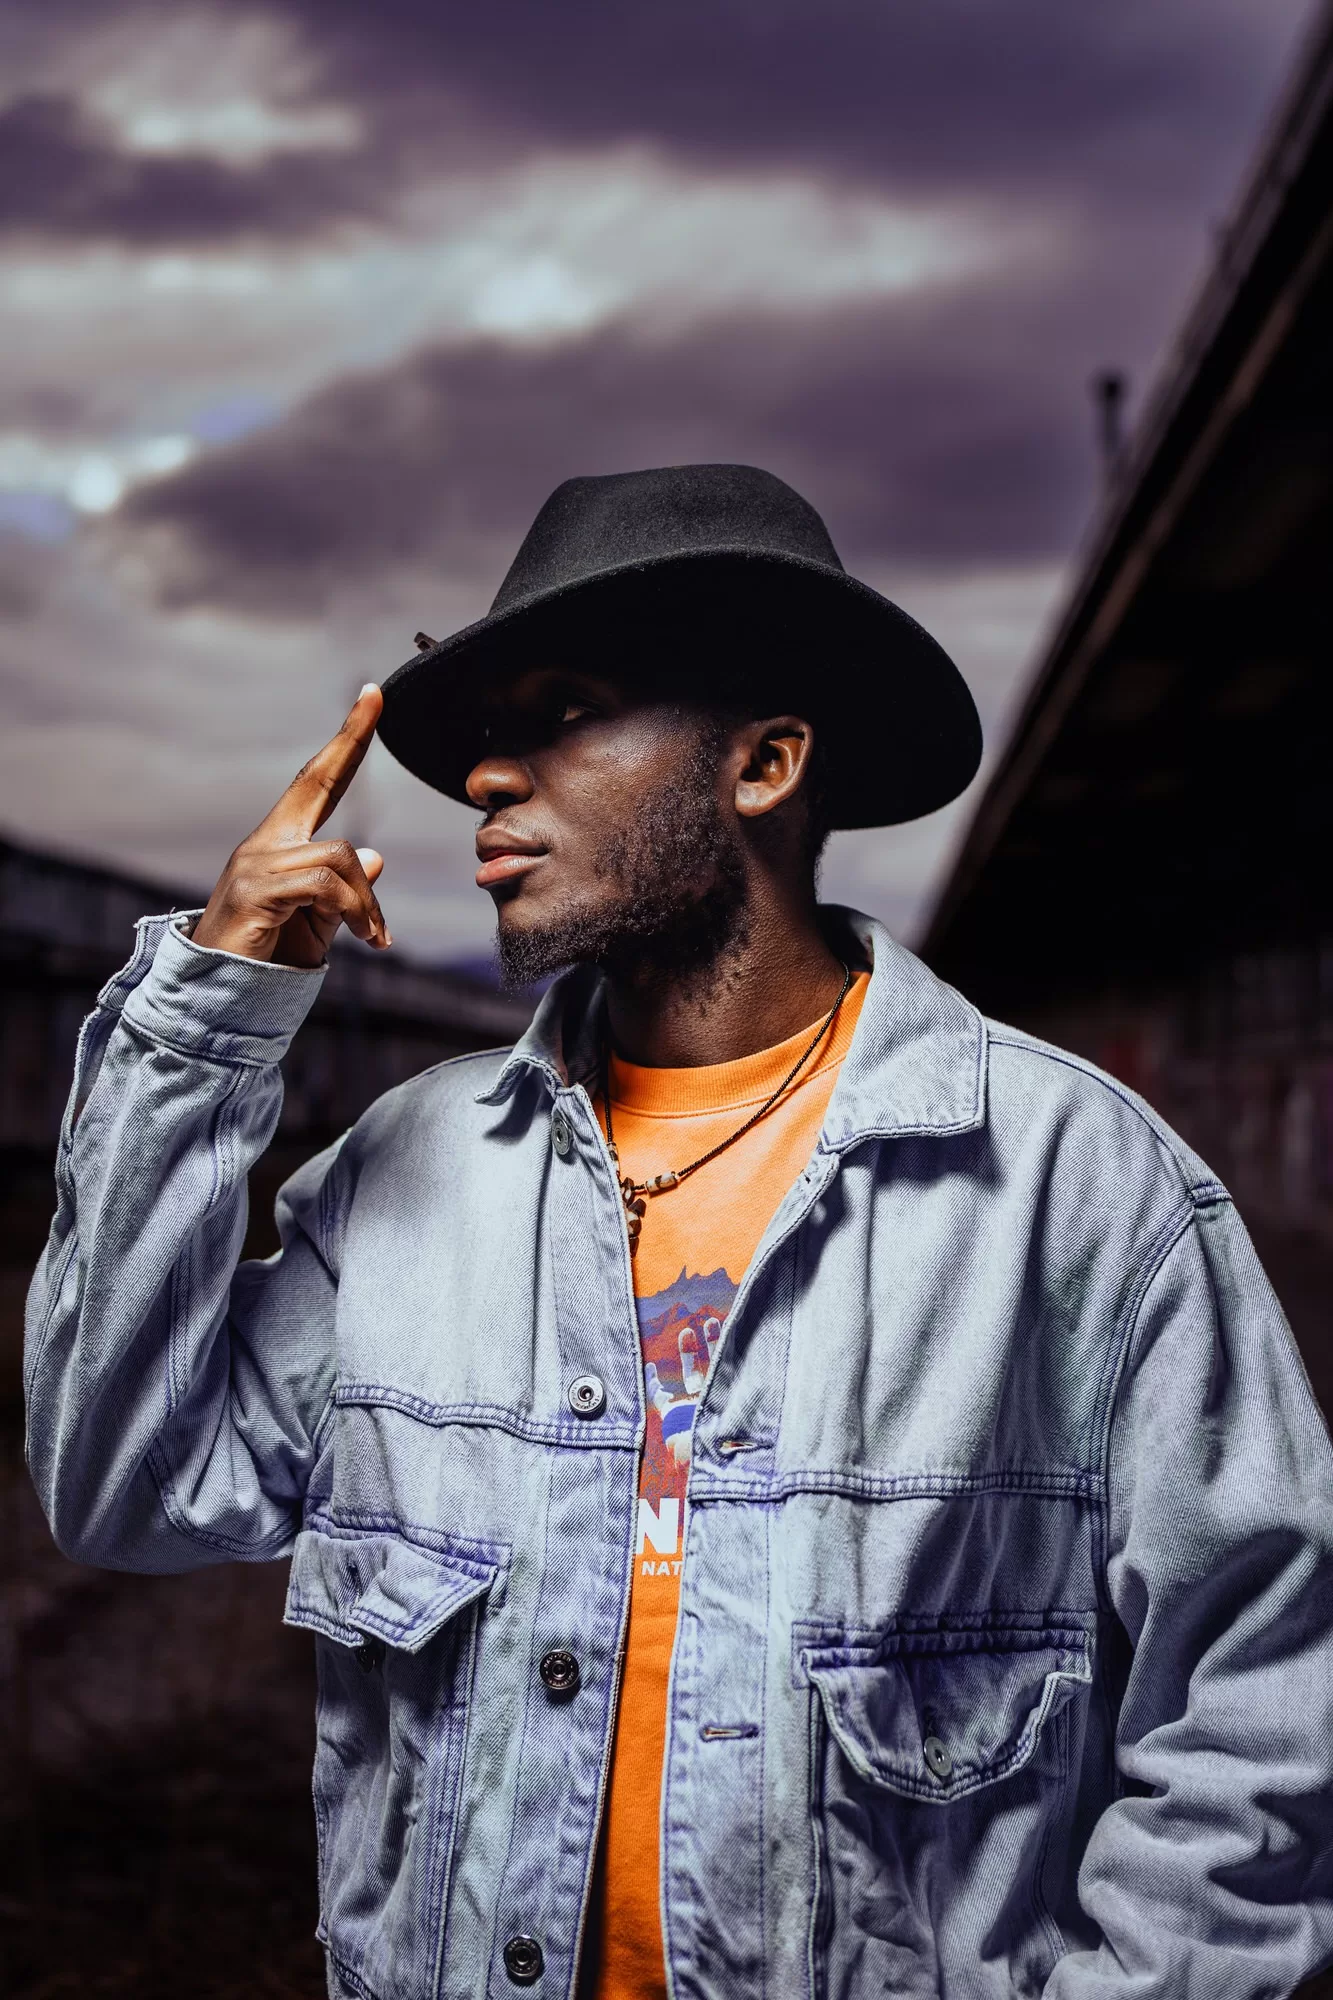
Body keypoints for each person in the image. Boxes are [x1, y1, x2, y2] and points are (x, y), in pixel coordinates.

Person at [24, 464, 1333, 2000]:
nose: (487, 778)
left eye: (563, 712)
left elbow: (1262, 1715)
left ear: (764, 764)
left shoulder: (1076, 1188)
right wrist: (206, 1013)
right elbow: (126, 1483)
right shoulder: (409, 1172)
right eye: (489, 735)